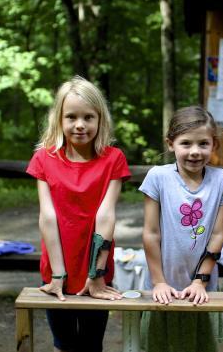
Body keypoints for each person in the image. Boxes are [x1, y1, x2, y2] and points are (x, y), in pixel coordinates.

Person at [26, 76, 130, 352]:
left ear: (100, 119)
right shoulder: (43, 159)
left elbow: (106, 217)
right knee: (64, 344)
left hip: (96, 268)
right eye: (71, 117)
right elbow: (47, 217)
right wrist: (58, 275)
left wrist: (96, 274)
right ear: (59, 119)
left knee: (91, 344)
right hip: (57, 265)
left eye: (88, 117)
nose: (80, 124)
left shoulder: (113, 159)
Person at [139, 106, 223, 352]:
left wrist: (200, 281)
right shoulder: (157, 177)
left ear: (214, 144)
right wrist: (158, 282)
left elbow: (217, 235)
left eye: (203, 143)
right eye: (186, 143)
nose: (195, 152)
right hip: (161, 282)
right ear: (171, 143)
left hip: (201, 286)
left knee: (199, 344)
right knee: (158, 344)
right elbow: (151, 233)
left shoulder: (222, 179)